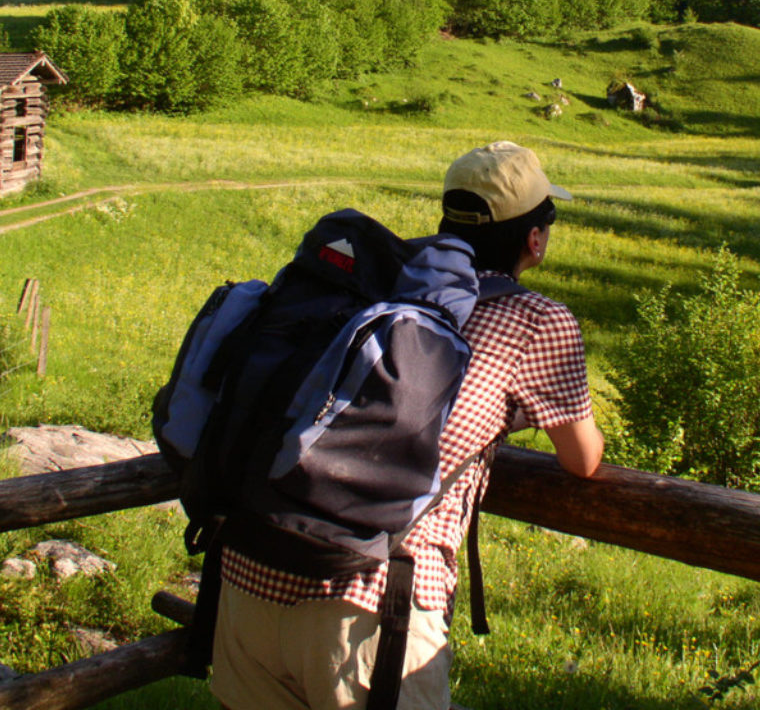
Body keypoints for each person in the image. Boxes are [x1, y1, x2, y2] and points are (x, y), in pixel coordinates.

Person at [211, 140, 604, 710]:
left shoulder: (380, 283)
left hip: (250, 575)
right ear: (534, 239)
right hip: (370, 608)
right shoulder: (537, 321)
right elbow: (582, 457)